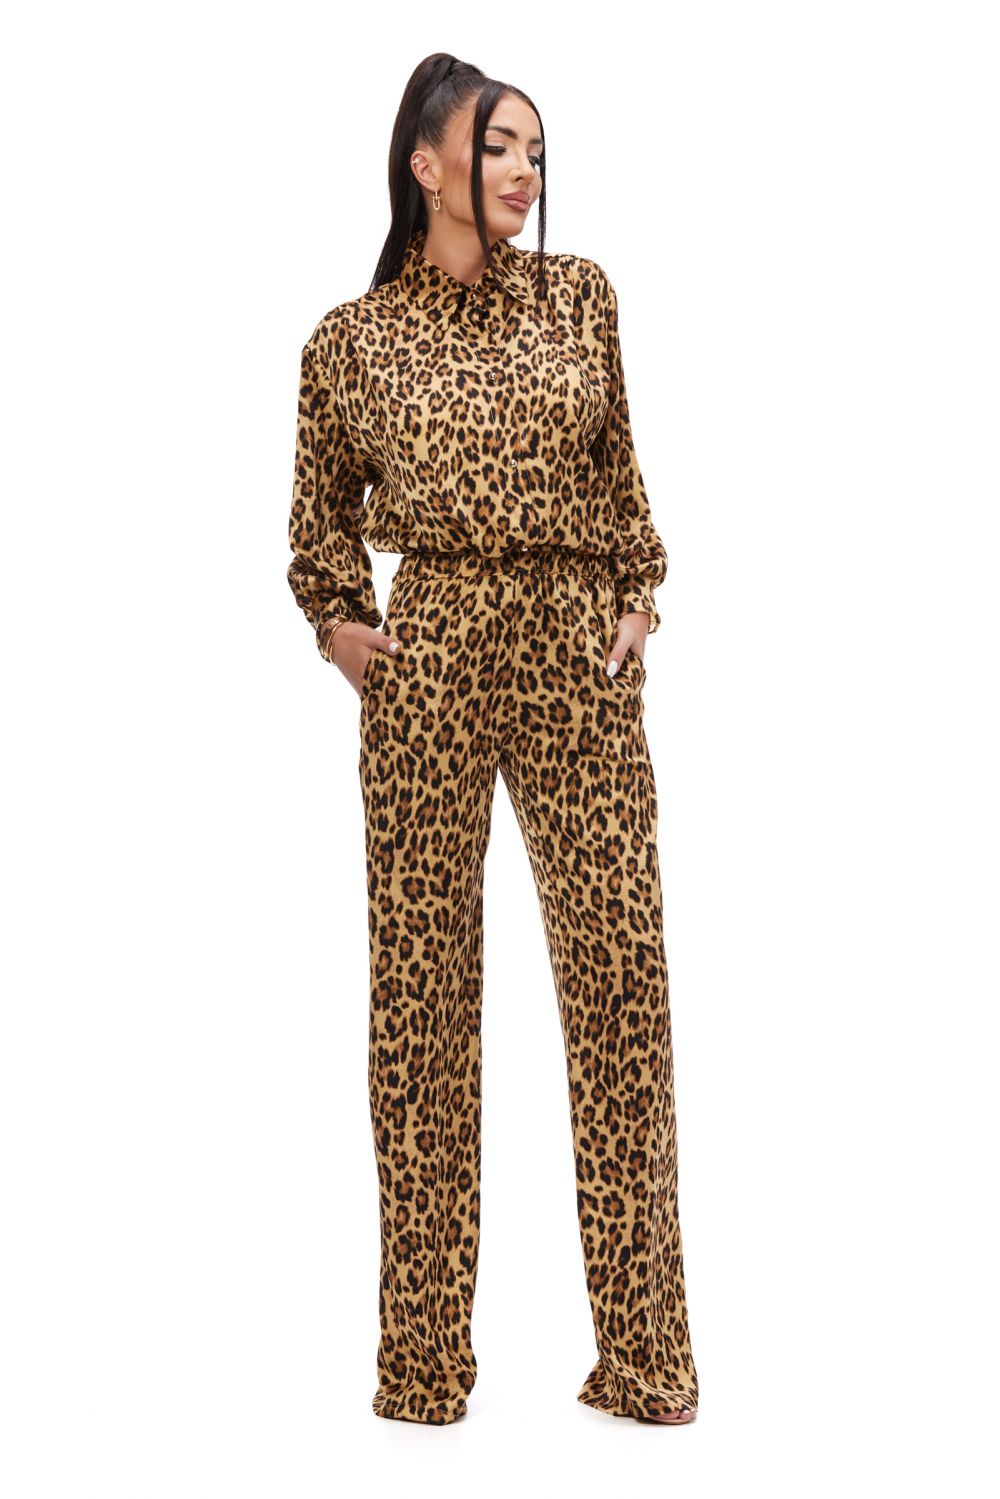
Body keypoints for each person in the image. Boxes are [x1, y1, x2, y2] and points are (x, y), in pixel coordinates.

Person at [286, 52, 699, 1427]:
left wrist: (636, 597)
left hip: (576, 654)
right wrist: (342, 627)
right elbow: (317, 522)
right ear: (428, 165)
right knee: (421, 1007)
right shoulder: (349, 343)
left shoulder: (582, 295)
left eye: (535, 149)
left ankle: (646, 1362)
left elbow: (621, 475)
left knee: (623, 987)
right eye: (499, 145)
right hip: (434, 656)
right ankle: (422, 1368)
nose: (525, 169)